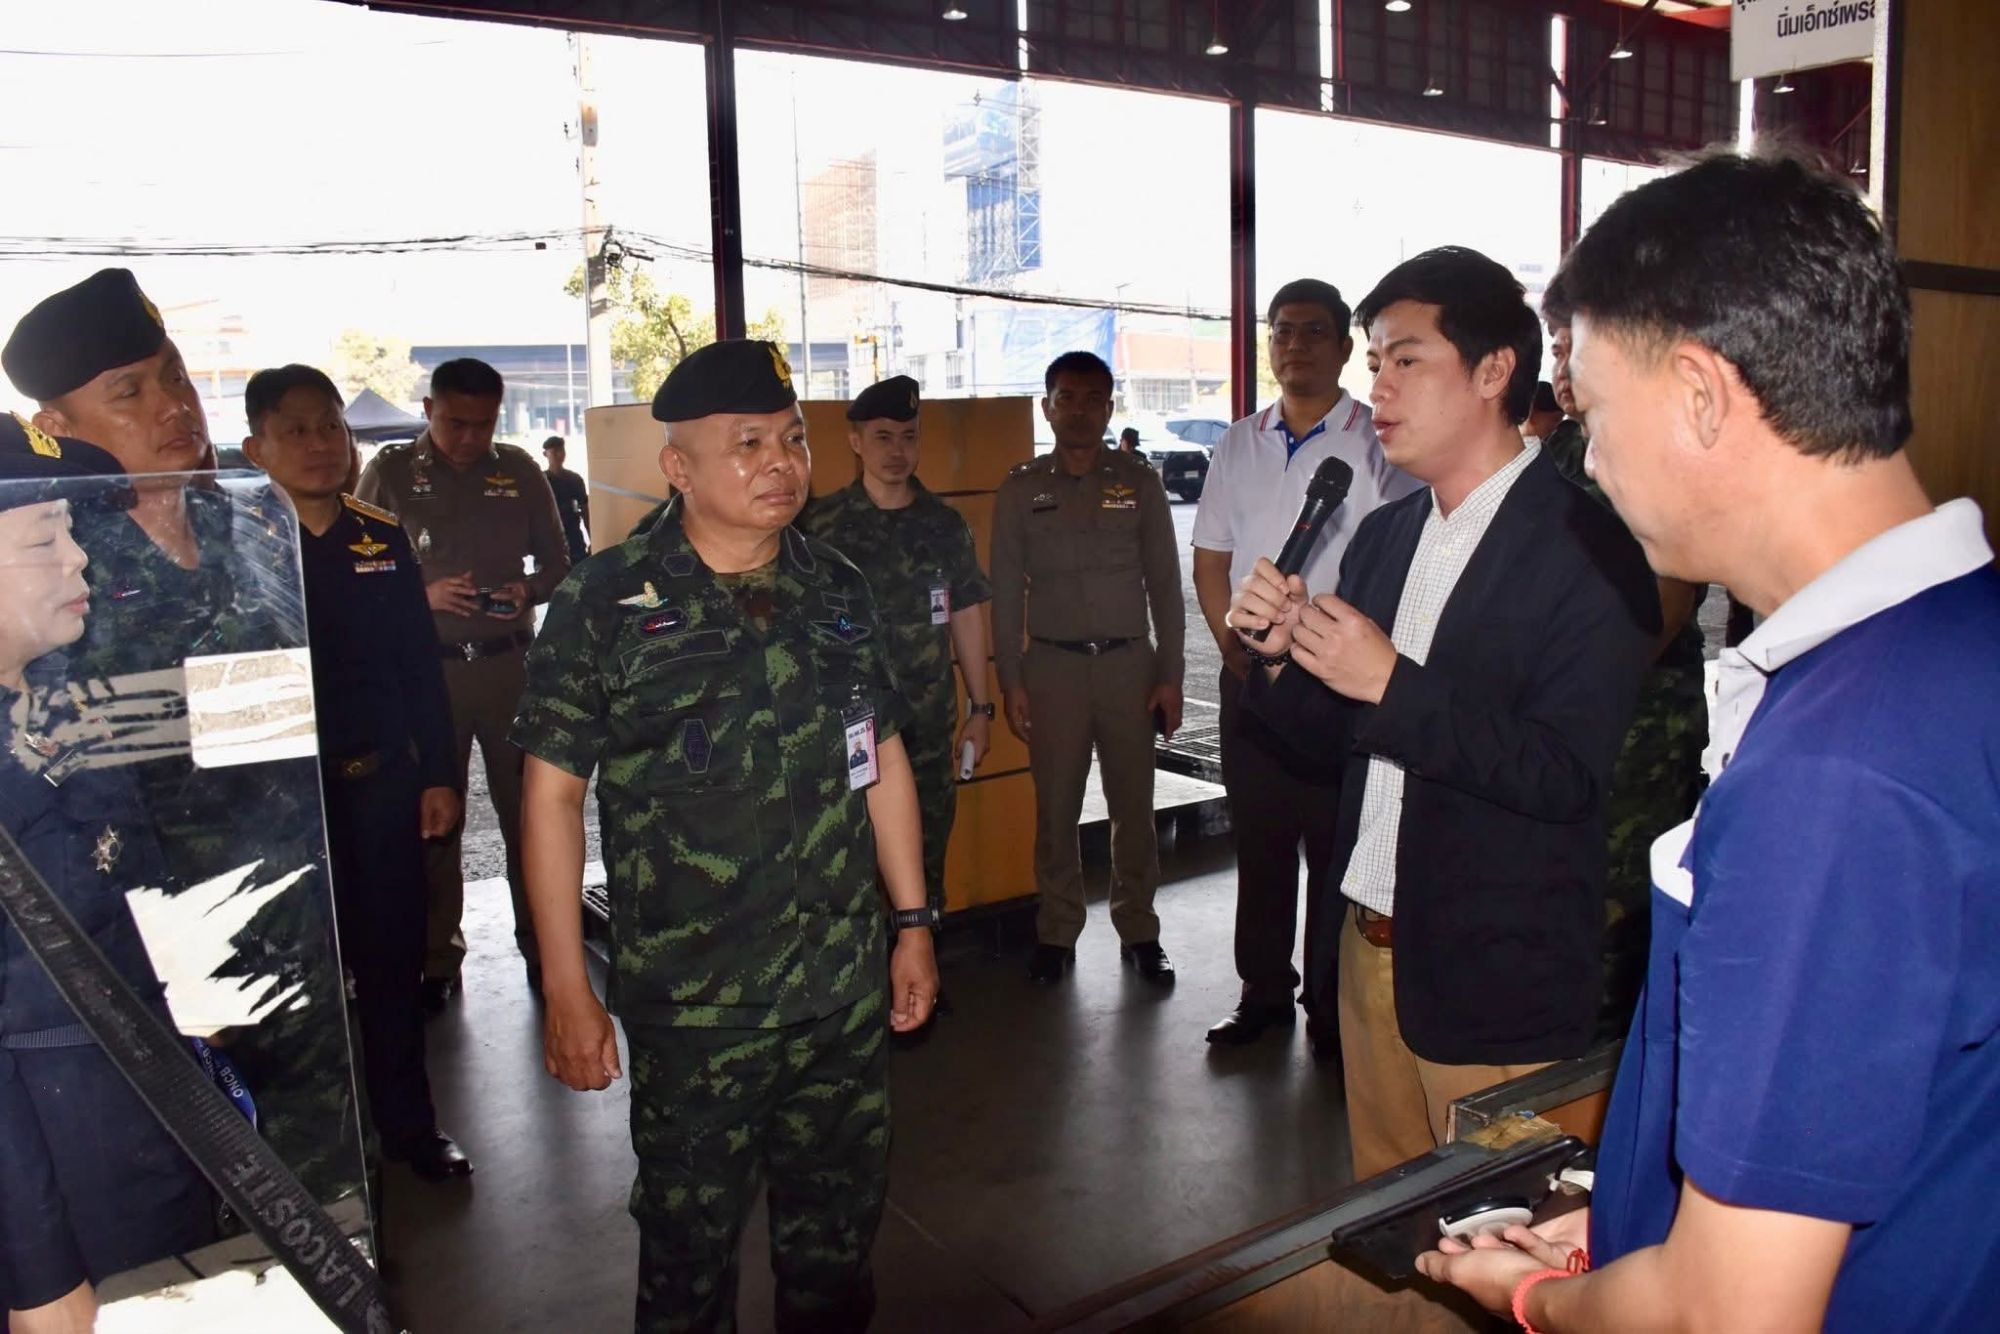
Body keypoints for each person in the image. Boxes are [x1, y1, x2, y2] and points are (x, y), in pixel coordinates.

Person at [1418, 150, 2000, 1334]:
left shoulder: (1832, 776)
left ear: (1697, 392)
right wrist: (1638, 1229)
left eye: (1591, 410)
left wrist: (1538, 1295)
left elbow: (1724, 1315)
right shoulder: (1952, 644)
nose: (1587, 459)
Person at [513, 340, 939, 1333]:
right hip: (696, 1012)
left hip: (838, 992)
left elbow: (878, 753)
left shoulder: (837, 586)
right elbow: (550, 799)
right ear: (679, 466)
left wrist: (913, 922)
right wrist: (568, 987)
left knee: (835, 1251)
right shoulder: (606, 601)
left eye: (792, 440)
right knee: (687, 1264)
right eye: (748, 444)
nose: (781, 463)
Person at [1228, 247, 1657, 1180]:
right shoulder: (1386, 536)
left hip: (1490, 974)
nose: (1376, 387)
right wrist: (1283, 662)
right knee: (1391, 1224)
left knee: (1496, 1234)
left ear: (1495, 371)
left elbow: (1562, 775)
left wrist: (1390, 682)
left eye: (1406, 359)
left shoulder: (1590, 550)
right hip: (1368, 949)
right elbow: (1343, 744)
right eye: (1374, 362)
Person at [4, 269, 355, 1201]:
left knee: (329, 1176)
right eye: (129, 392)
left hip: (293, 908)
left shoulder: (252, 522)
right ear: (56, 426)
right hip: (153, 942)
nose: (172, 406)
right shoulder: (55, 562)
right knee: (197, 1202)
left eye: (175, 376)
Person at [0, 415, 215, 1332]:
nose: (79, 560)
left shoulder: (61, 697)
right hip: (51, 1164)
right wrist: (39, 1275)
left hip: (141, 1106)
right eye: (43, 539)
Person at [241, 365, 471, 1183]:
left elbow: (418, 665)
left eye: (330, 427)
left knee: (390, 970)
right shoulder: (235, 542)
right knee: (289, 981)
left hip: (377, 789)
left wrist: (437, 774)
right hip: (276, 804)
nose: (319, 444)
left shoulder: (378, 537)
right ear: (256, 448)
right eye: (296, 430)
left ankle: (409, 1129)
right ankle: (308, 1155)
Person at [1192, 277, 1421, 1053]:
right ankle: (1262, 995)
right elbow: (1211, 559)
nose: (1295, 345)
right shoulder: (1239, 441)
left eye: (1314, 331)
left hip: (1336, 682)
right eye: (1282, 331)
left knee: (1333, 848)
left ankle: (1329, 1010)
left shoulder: (1376, 441)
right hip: (1251, 679)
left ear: (1345, 348)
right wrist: (1236, 649)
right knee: (1259, 846)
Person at [356, 358, 570, 1009]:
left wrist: (528, 590)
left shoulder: (521, 471)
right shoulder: (390, 473)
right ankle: (435, 960)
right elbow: (353, 573)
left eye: (484, 424)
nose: (471, 437)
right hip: (428, 677)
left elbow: (562, 563)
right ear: (428, 410)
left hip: (509, 669)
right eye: (456, 423)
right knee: (433, 822)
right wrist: (417, 596)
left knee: (530, 816)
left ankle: (545, 950)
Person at [1541, 274, 1708, 1034]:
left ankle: (1616, 1060)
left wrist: (1574, 690)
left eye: (1572, 349)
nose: (1560, 367)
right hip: (1567, 721)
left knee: (1625, 912)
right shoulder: (1557, 452)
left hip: (1639, 728)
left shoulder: (1656, 450)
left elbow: (1665, 607)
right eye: (1554, 350)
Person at [990, 351, 1186, 985]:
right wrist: (1011, 679)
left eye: (1092, 399)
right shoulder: (1021, 488)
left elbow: (1166, 585)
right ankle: (1057, 931)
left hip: (1130, 667)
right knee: (1056, 810)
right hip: (1053, 670)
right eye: (1066, 398)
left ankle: (1140, 928)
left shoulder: (1140, 482)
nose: (1079, 411)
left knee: (1135, 807)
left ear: (1109, 408)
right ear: (1046, 407)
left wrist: (1171, 675)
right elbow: (1005, 592)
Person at [797, 374, 994, 928]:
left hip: (925, 727)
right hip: (847, 730)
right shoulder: (818, 527)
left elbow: (966, 613)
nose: (896, 451)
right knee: (849, 861)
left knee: (925, 860)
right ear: (855, 441)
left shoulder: (943, 525)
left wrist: (982, 709)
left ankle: (922, 956)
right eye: (882, 437)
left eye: (909, 436)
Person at [542, 434, 591, 564]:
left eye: (561, 450)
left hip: (574, 538)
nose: (559, 455)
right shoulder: (540, 481)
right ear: (545, 454)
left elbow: (585, 510)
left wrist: (592, 538)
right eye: (555, 452)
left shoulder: (575, 479)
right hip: (549, 540)